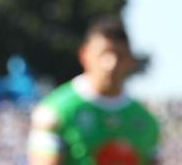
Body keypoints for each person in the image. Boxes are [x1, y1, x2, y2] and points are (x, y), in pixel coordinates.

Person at [28, 16, 160, 165]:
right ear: (84, 55)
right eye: (103, 54)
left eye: (120, 56)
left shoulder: (146, 121)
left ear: (130, 61)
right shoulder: (54, 112)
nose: (111, 64)